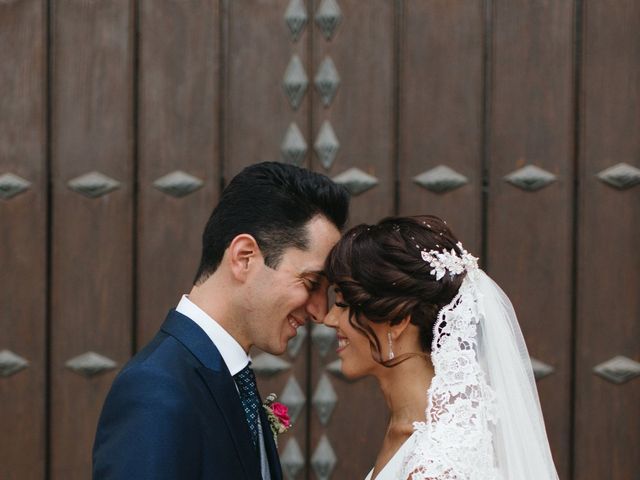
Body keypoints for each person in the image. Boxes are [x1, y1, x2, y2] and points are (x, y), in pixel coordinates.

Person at [93, 162, 349, 480]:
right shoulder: (155, 389)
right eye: (311, 283)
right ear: (244, 257)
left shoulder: (227, 376)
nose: (320, 312)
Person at [323, 215, 559, 480]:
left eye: (342, 304)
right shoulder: (407, 430)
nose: (328, 319)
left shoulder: (439, 464)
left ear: (398, 320)